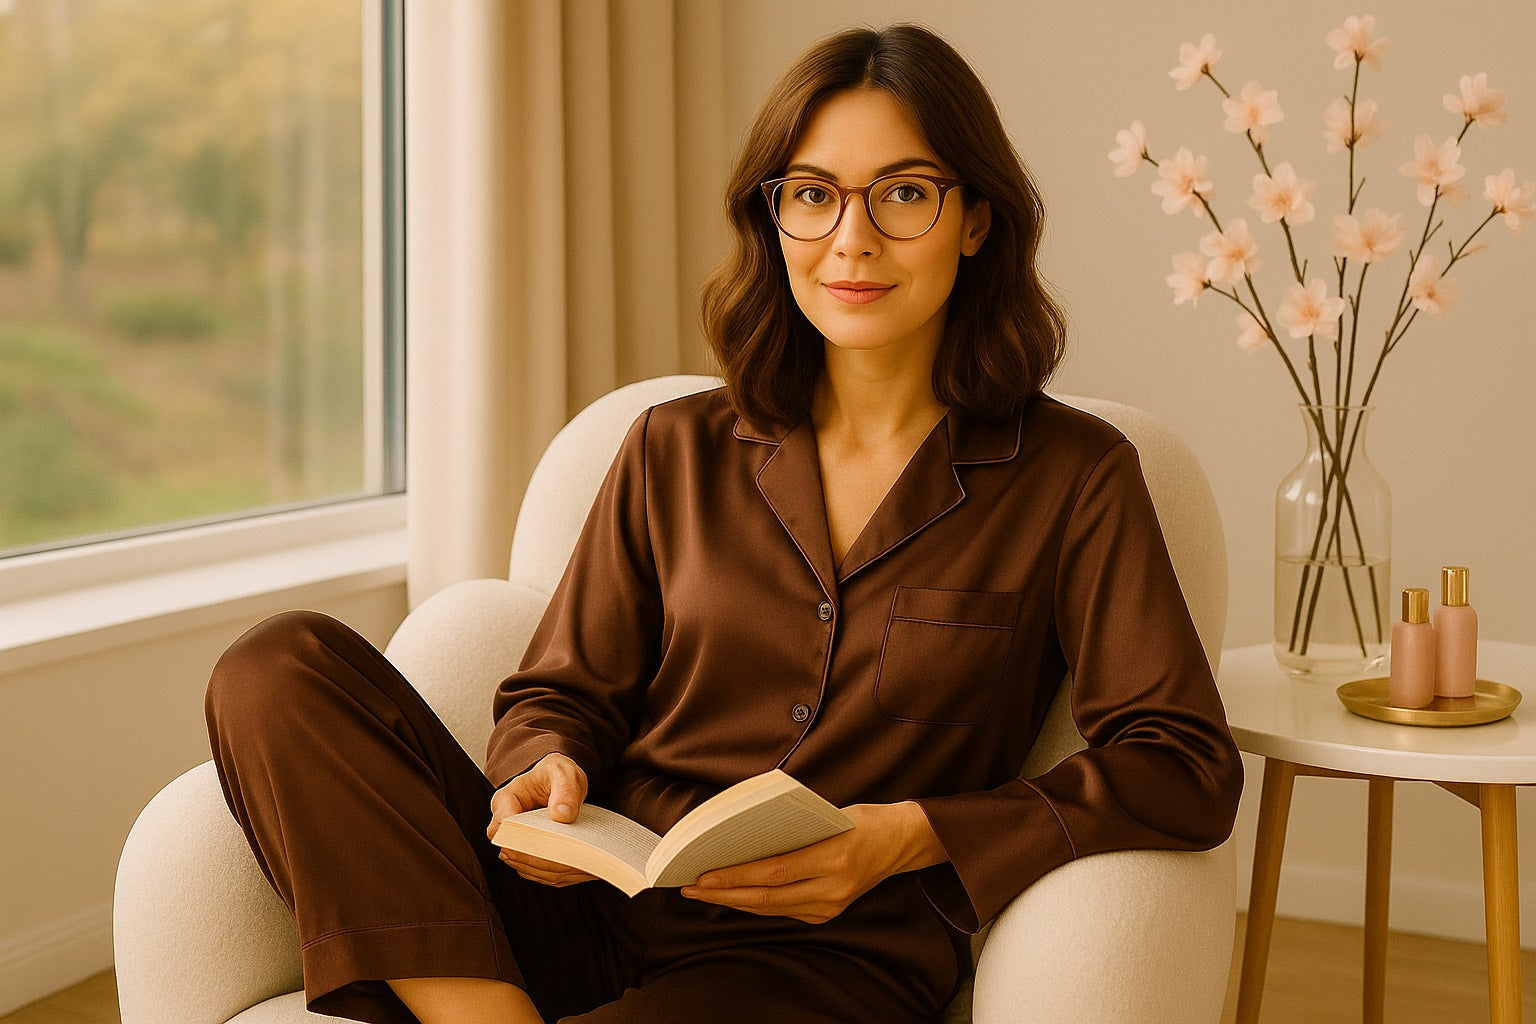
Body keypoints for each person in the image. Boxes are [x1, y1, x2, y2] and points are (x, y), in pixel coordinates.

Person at [206, 24, 1243, 1024]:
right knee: (277, 666)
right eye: (812, 197)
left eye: (905, 195)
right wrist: (544, 762)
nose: (853, 239)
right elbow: (561, 692)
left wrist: (909, 836)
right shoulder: (674, 446)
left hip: (820, 960)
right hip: (585, 911)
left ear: (976, 219)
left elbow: (1182, 762)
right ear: (772, 219)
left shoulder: (1075, 478)